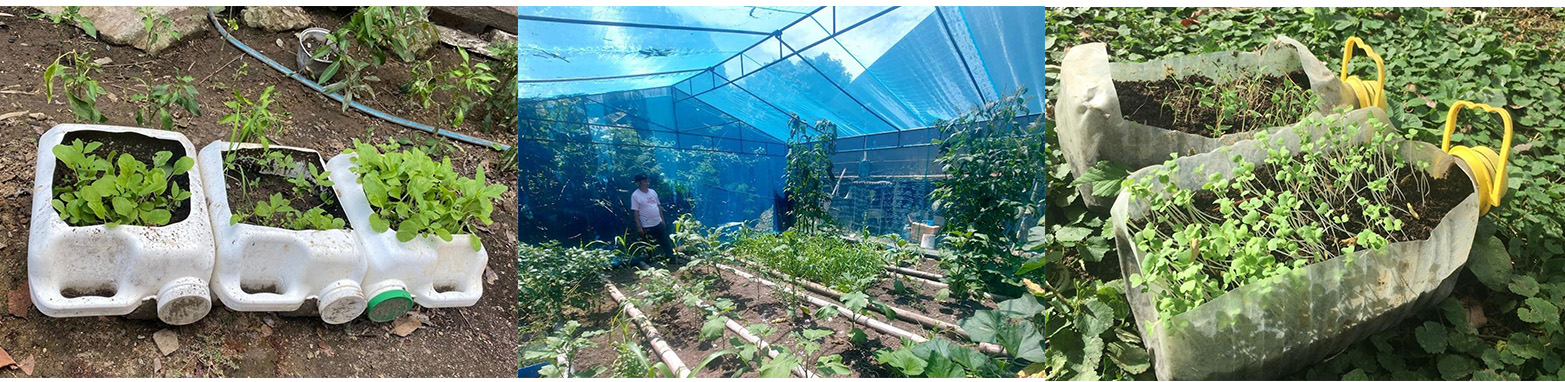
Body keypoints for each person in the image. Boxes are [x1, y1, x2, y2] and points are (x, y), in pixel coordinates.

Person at [630, 174, 675, 263]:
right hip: (646, 225)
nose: (647, 183)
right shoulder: (635, 195)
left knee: (664, 241)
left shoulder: (652, 192)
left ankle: (671, 258)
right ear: (638, 183)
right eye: (644, 181)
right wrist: (639, 227)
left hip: (657, 222)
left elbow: (658, 206)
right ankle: (652, 261)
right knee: (648, 244)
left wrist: (662, 219)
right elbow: (636, 212)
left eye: (648, 181)